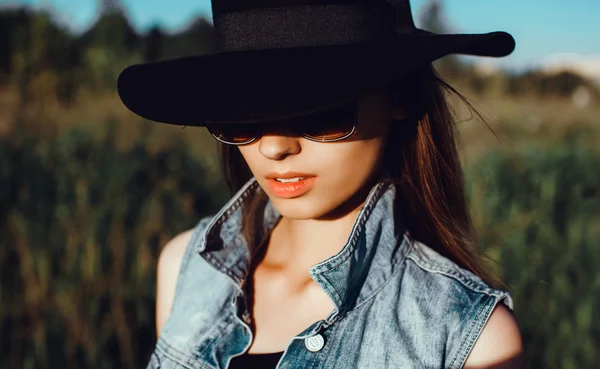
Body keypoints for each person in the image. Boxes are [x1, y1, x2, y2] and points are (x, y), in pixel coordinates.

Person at [117, 0, 523, 368]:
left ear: (400, 96)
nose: (274, 147)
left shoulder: (471, 340)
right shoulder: (188, 270)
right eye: (244, 113)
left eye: (320, 110)